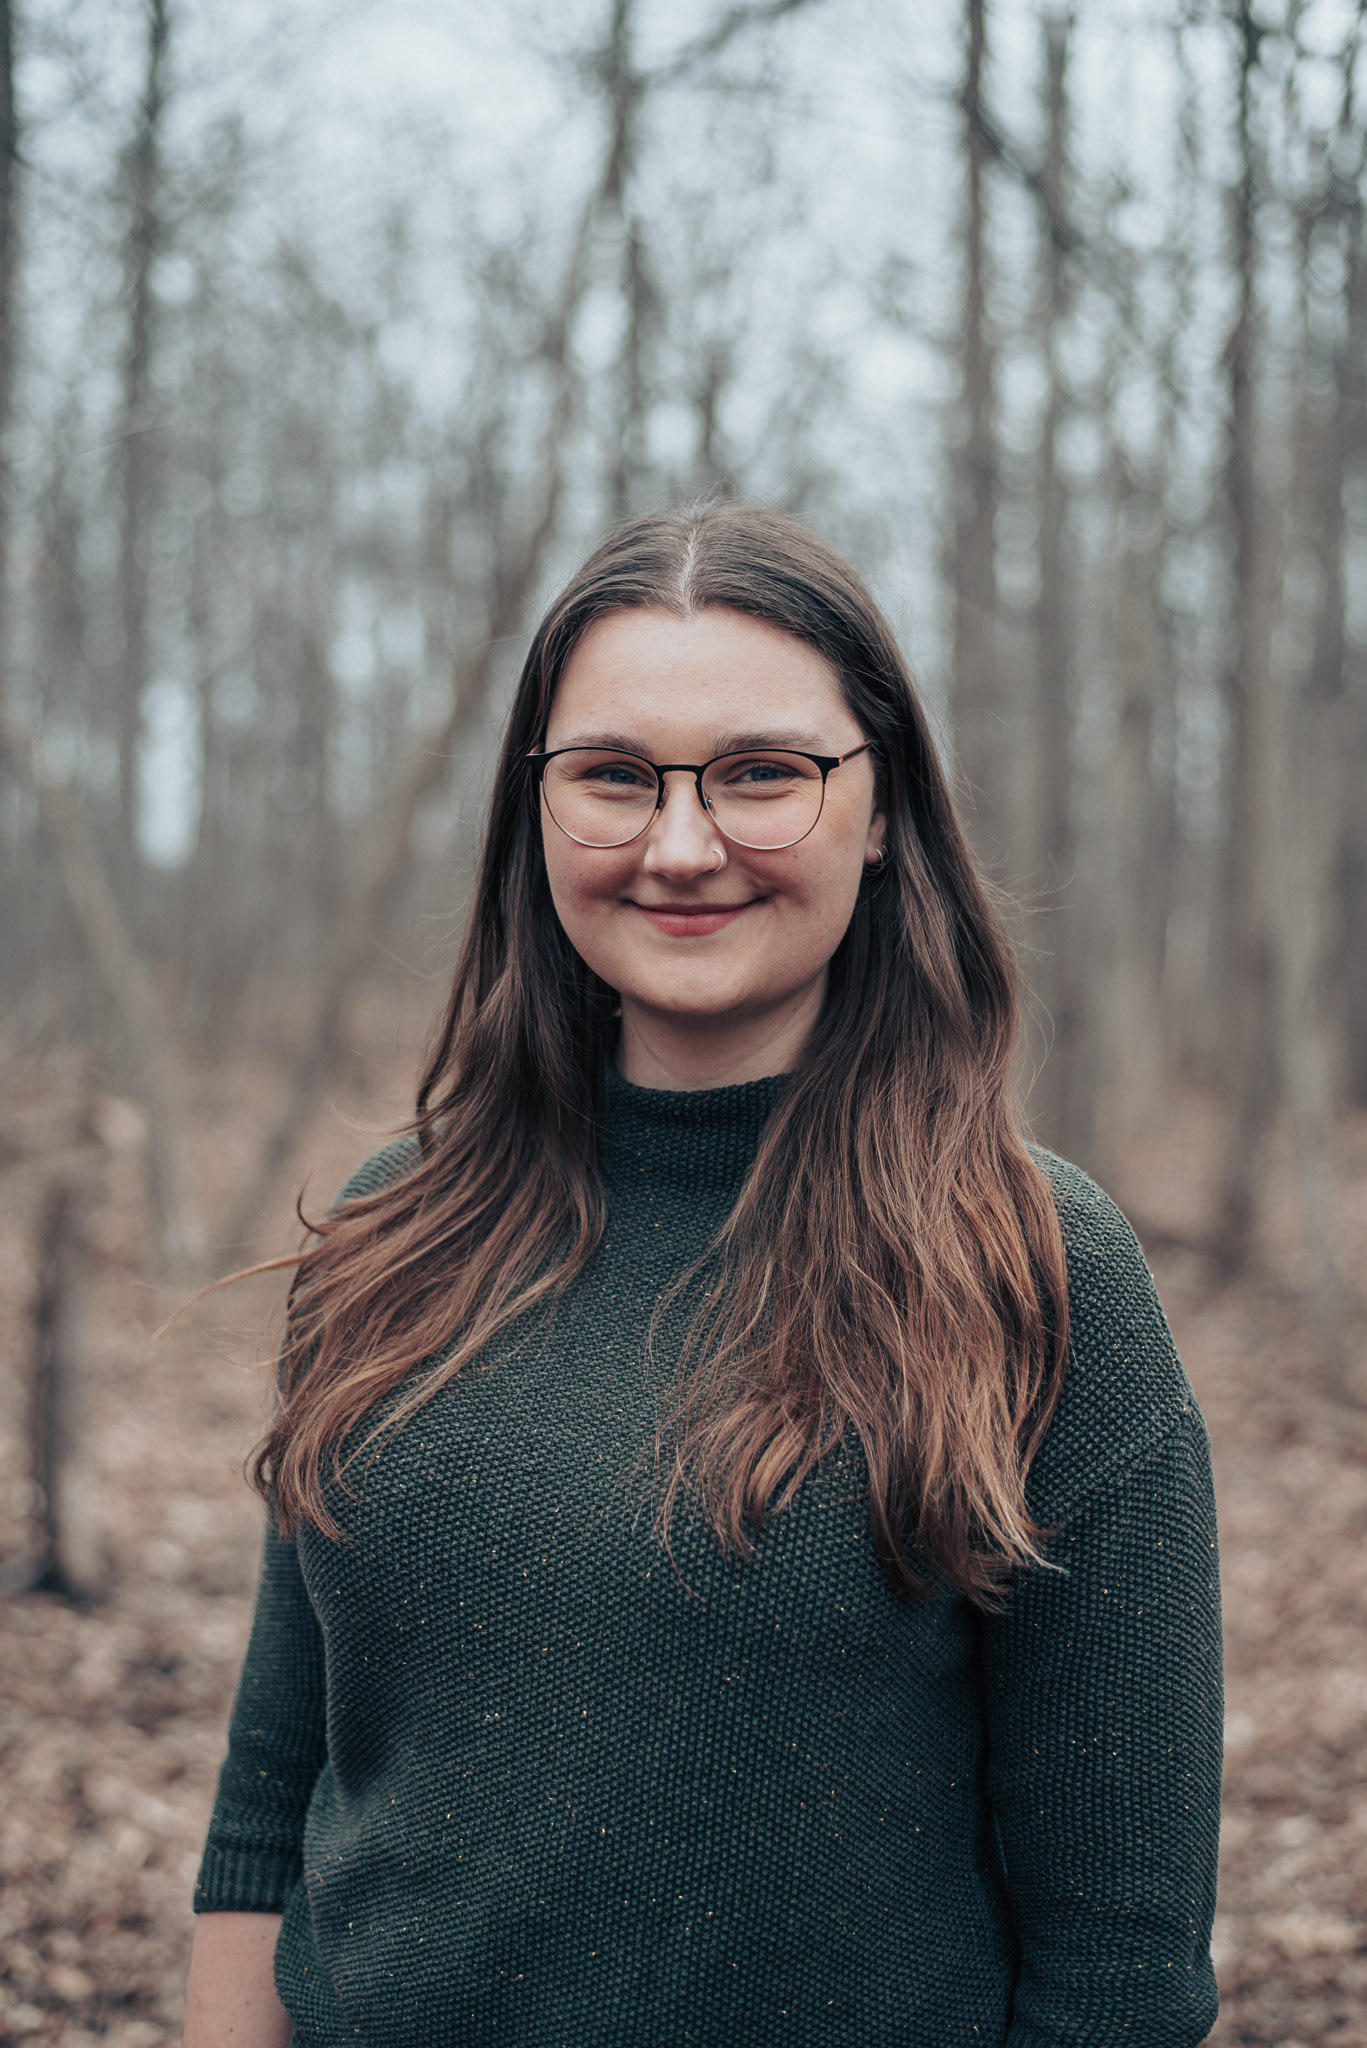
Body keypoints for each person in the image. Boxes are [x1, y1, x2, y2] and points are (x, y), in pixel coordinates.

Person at [184, 503, 1222, 2048]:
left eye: (762, 774)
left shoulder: (1035, 1270)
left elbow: (1118, 1973)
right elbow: (282, 1786)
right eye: (614, 775)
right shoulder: (399, 1228)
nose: (680, 846)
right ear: (537, 808)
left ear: (883, 811)